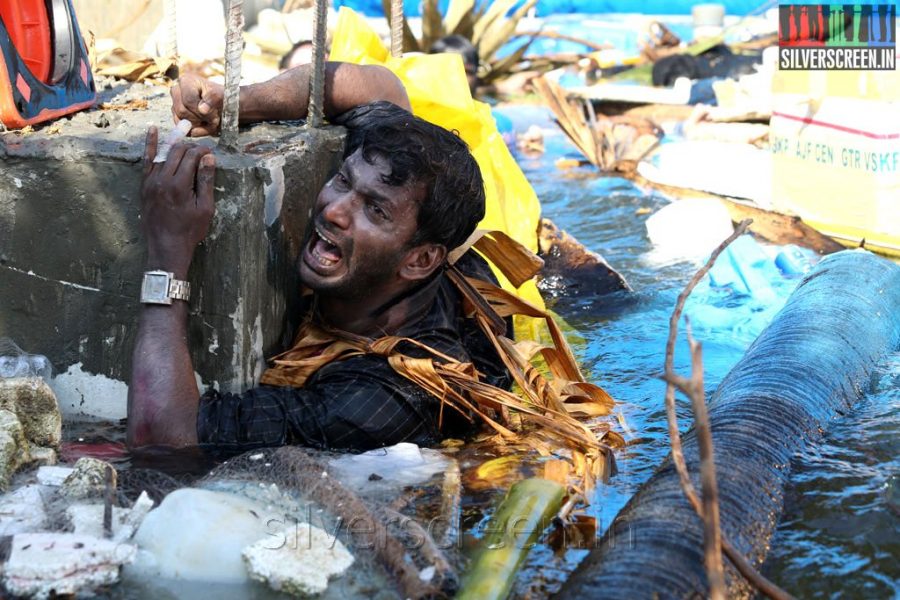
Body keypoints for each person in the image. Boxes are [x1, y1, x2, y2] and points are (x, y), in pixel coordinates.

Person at [129, 63, 512, 451]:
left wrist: (167, 252)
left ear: (421, 260)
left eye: (375, 210)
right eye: (344, 180)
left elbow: (164, 438)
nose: (334, 211)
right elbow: (380, 88)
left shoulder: (388, 395)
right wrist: (234, 103)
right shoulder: (413, 237)